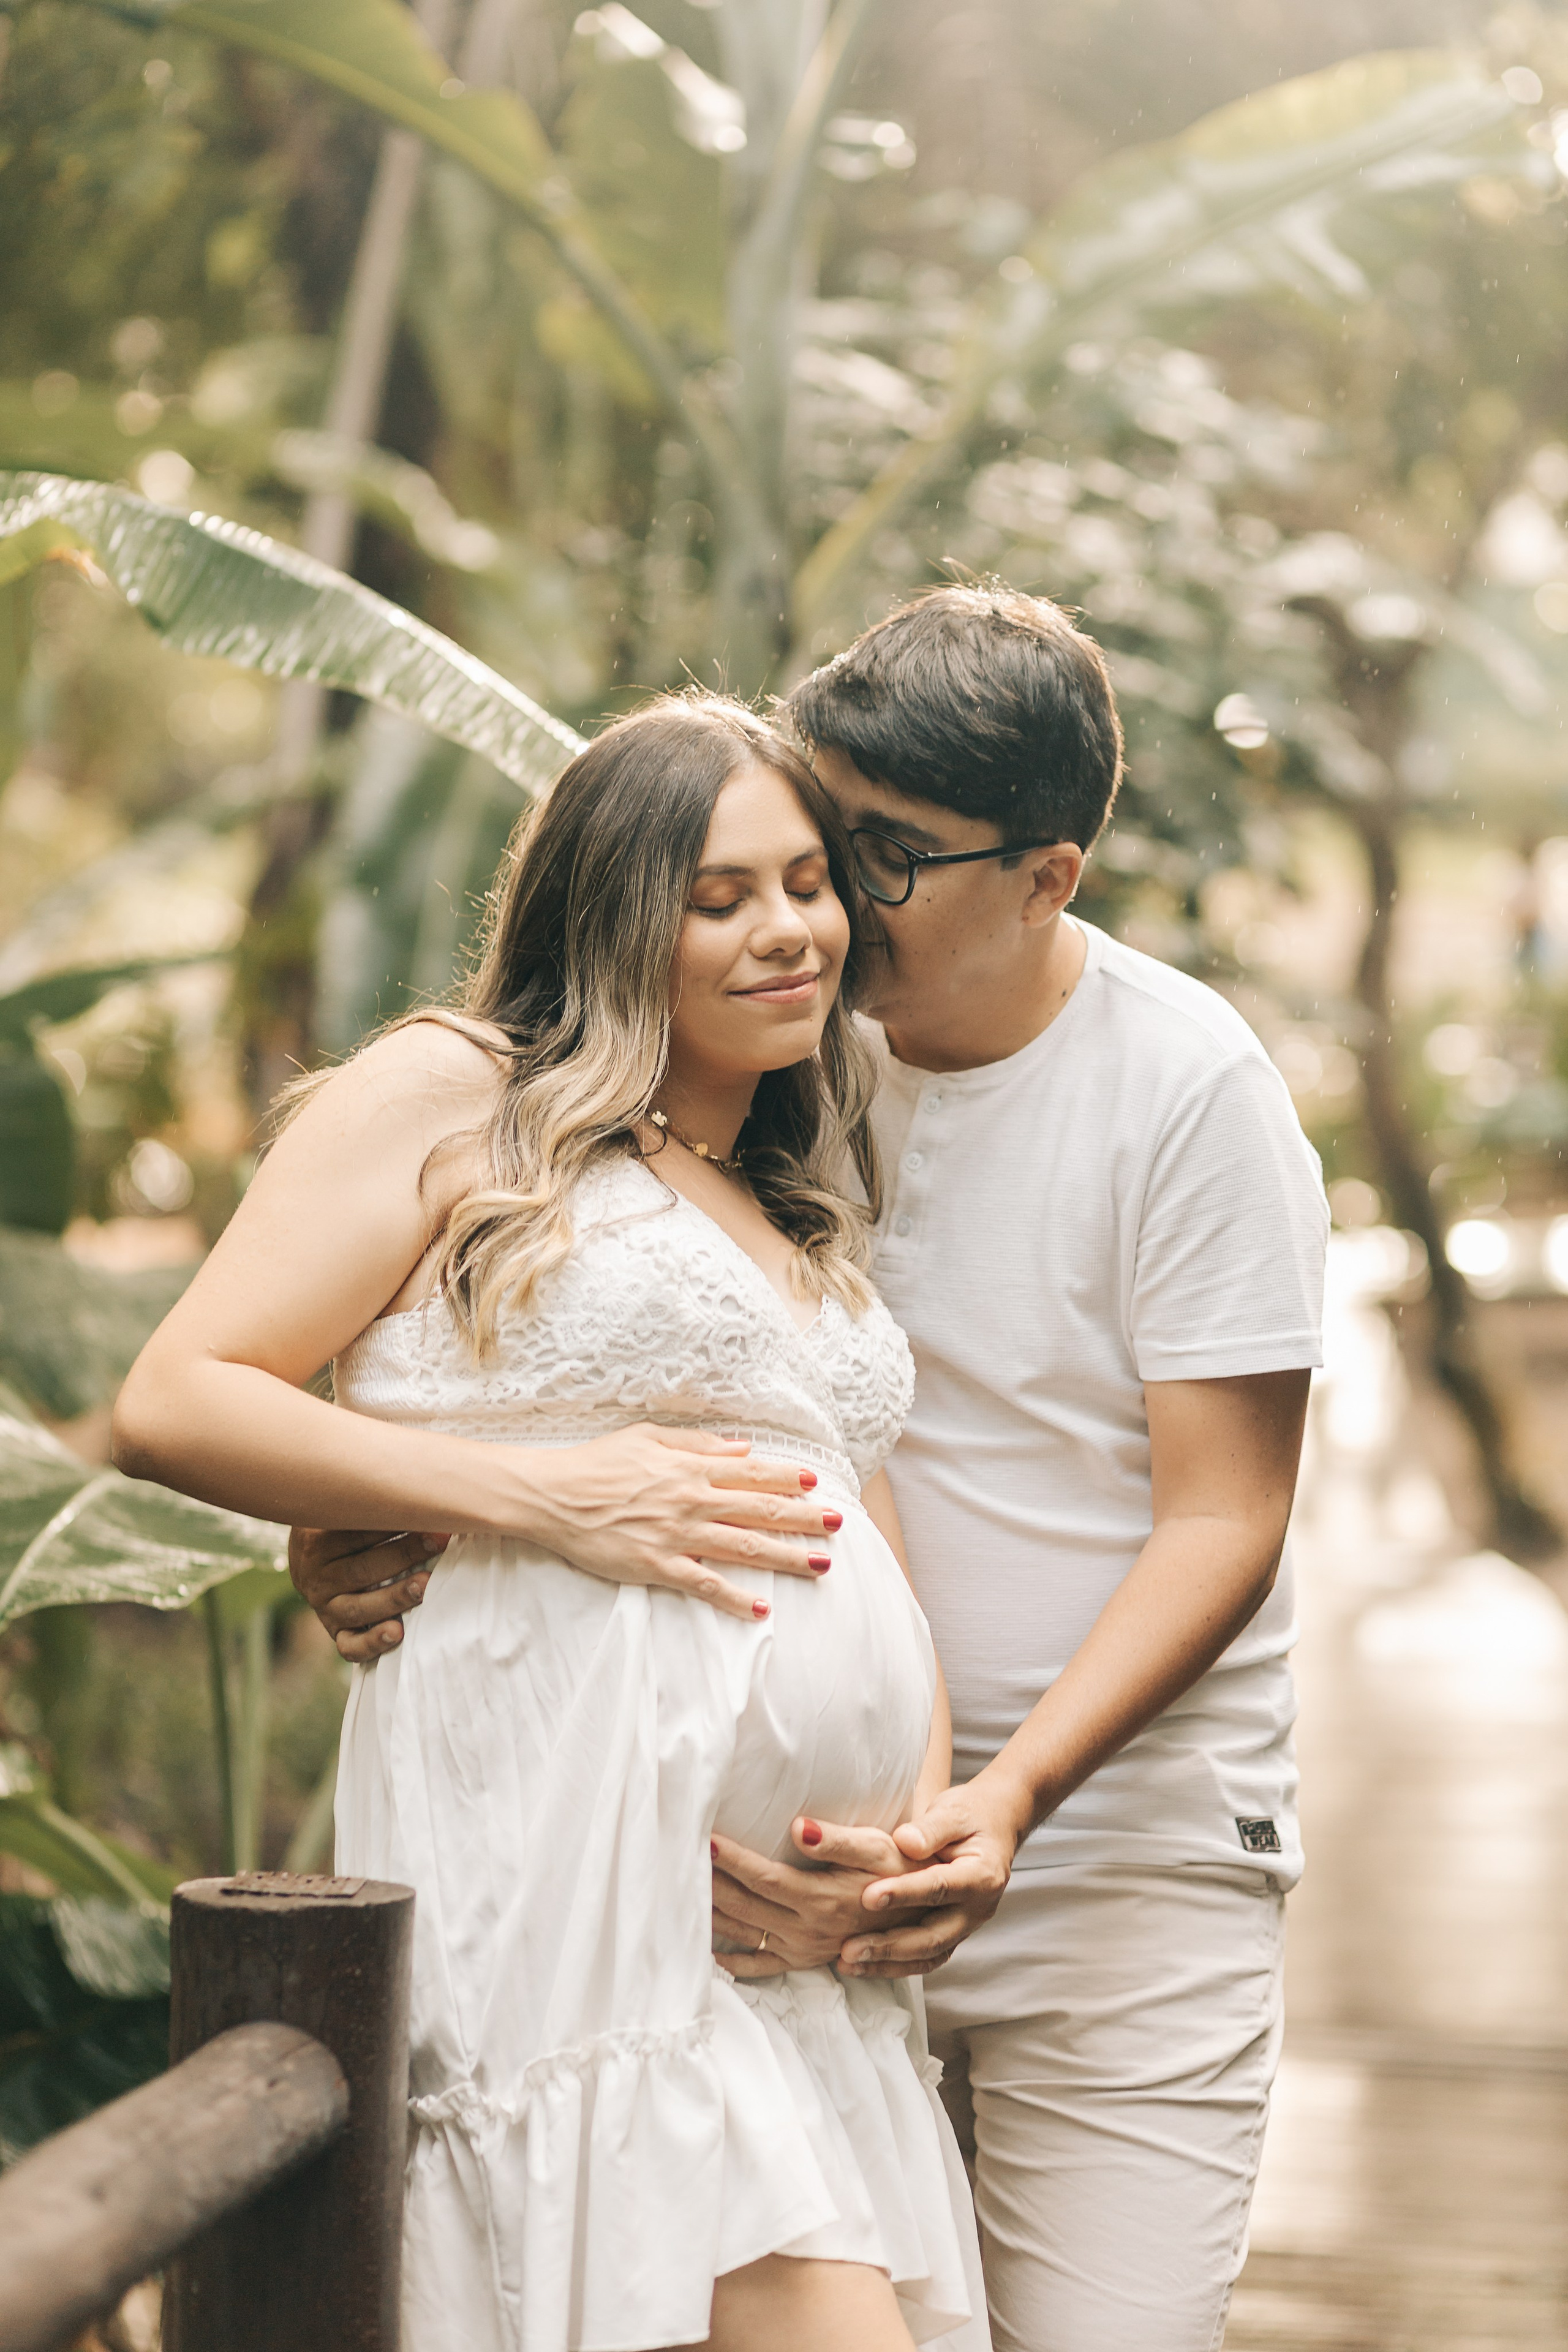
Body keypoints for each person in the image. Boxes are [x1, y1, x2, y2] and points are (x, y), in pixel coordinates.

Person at [295, 586, 1329, 2352]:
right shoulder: (777, 1048)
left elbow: (1226, 1513)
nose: (829, 903)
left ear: (1048, 875)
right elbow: (564, 1312)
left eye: (884, 859)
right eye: (820, 841)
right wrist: (380, 1503)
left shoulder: (1188, 1089)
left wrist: (998, 1808)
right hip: (763, 1897)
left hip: (1110, 1867)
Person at [111, 695, 990, 2352]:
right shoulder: (461, 1093)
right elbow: (186, 1392)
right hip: (572, 1878)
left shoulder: (784, 1190)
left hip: (788, 1951)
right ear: (607, 914)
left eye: (807, 884)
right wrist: (548, 1494)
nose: (787, 930)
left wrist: (892, 1837)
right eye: (718, 896)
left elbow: (858, 1543)